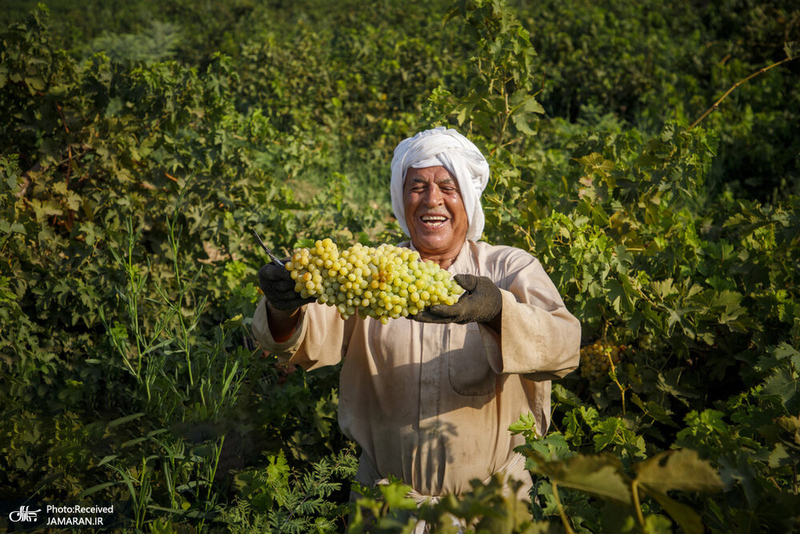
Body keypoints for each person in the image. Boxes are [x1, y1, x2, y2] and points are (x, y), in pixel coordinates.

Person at [252, 127, 581, 525]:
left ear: (469, 197)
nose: (432, 199)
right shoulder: (368, 274)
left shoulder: (509, 268)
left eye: (448, 186)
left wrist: (497, 311)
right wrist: (284, 307)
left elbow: (565, 348)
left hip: (492, 511)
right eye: (417, 186)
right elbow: (298, 343)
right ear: (401, 197)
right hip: (388, 510)